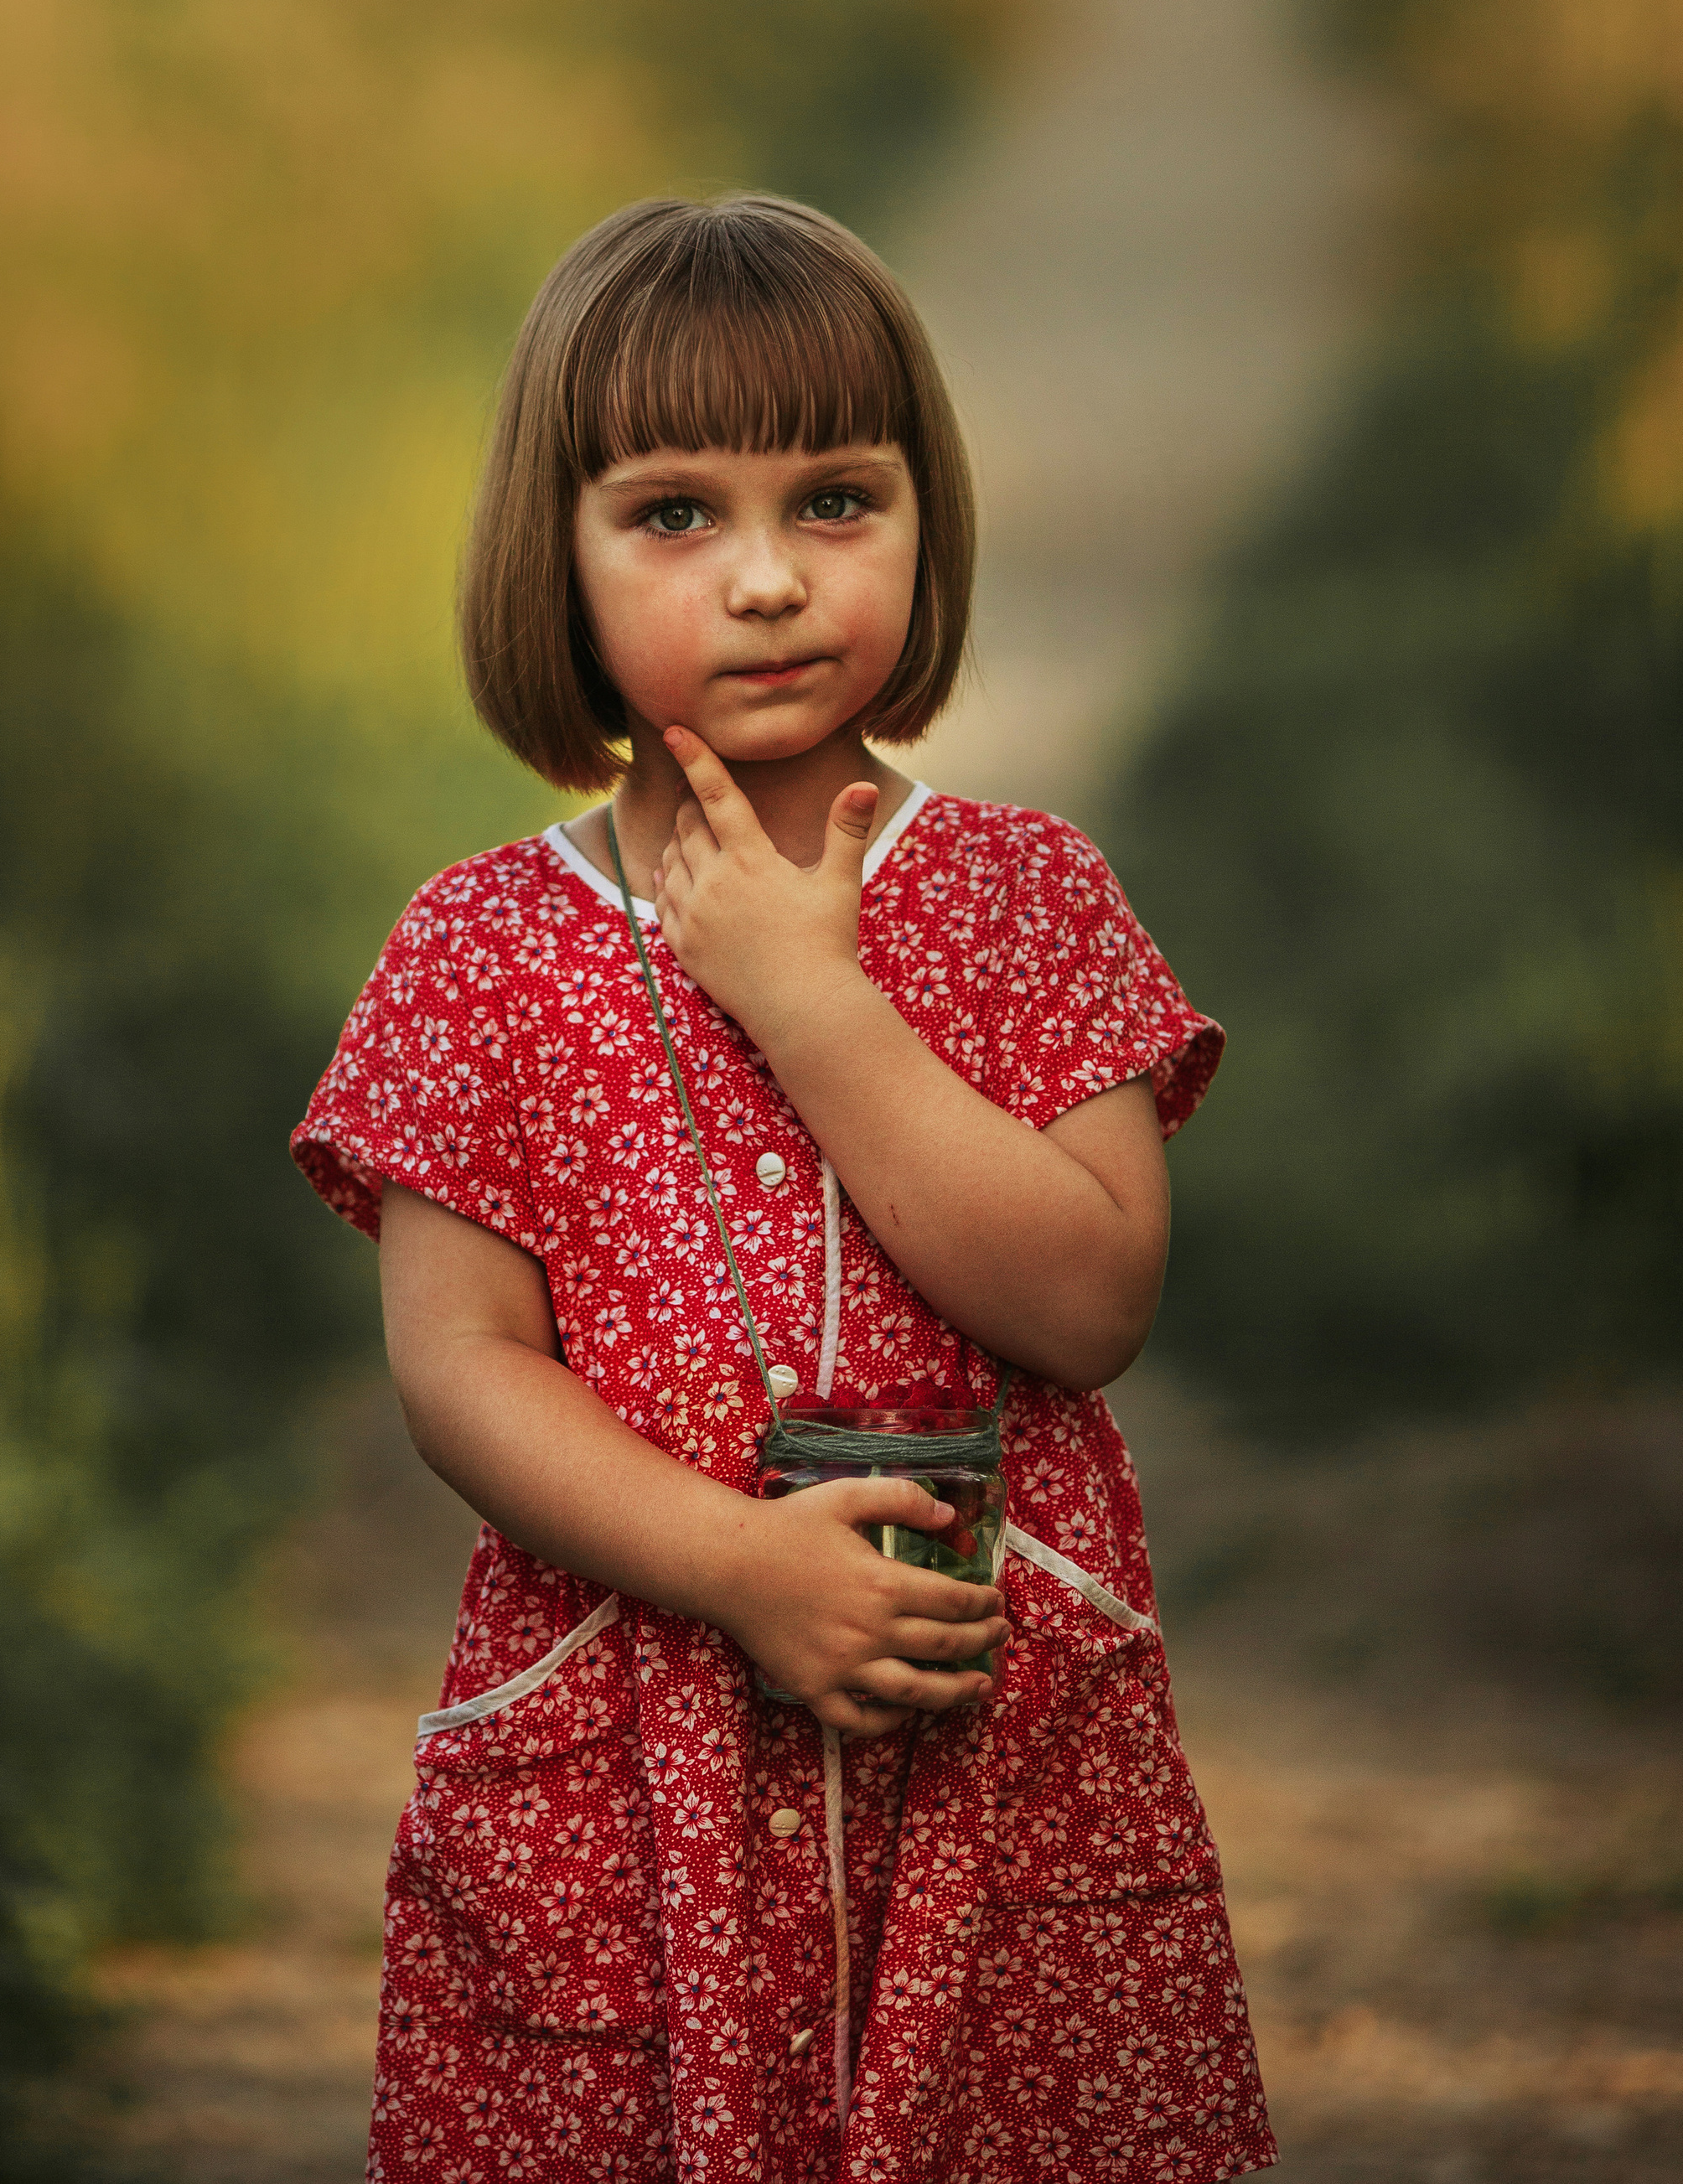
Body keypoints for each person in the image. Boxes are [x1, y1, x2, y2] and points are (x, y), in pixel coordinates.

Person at [293, 194, 1276, 2184]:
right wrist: (735, 1567)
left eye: (834, 499)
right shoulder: (479, 946)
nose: (762, 580)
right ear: (548, 565)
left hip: (985, 1733)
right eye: (672, 514)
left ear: (926, 523)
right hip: (631, 1722)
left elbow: (1087, 1298)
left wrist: (809, 1003)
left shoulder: (1023, 896)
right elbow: (457, 1366)